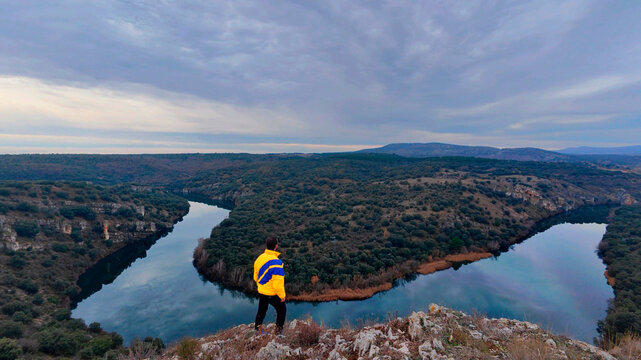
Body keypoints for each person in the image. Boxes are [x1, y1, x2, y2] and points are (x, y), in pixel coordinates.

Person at [253, 237, 286, 334]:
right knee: (282, 310)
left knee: (262, 310)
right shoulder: (277, 262)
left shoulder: (259, 258)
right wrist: (282, 296)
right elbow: (277, 283)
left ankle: (257, 328)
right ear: (276, 246)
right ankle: (278, 332)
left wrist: (262, 286)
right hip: (272, 293)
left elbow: (256, 277)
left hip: (262, 291)